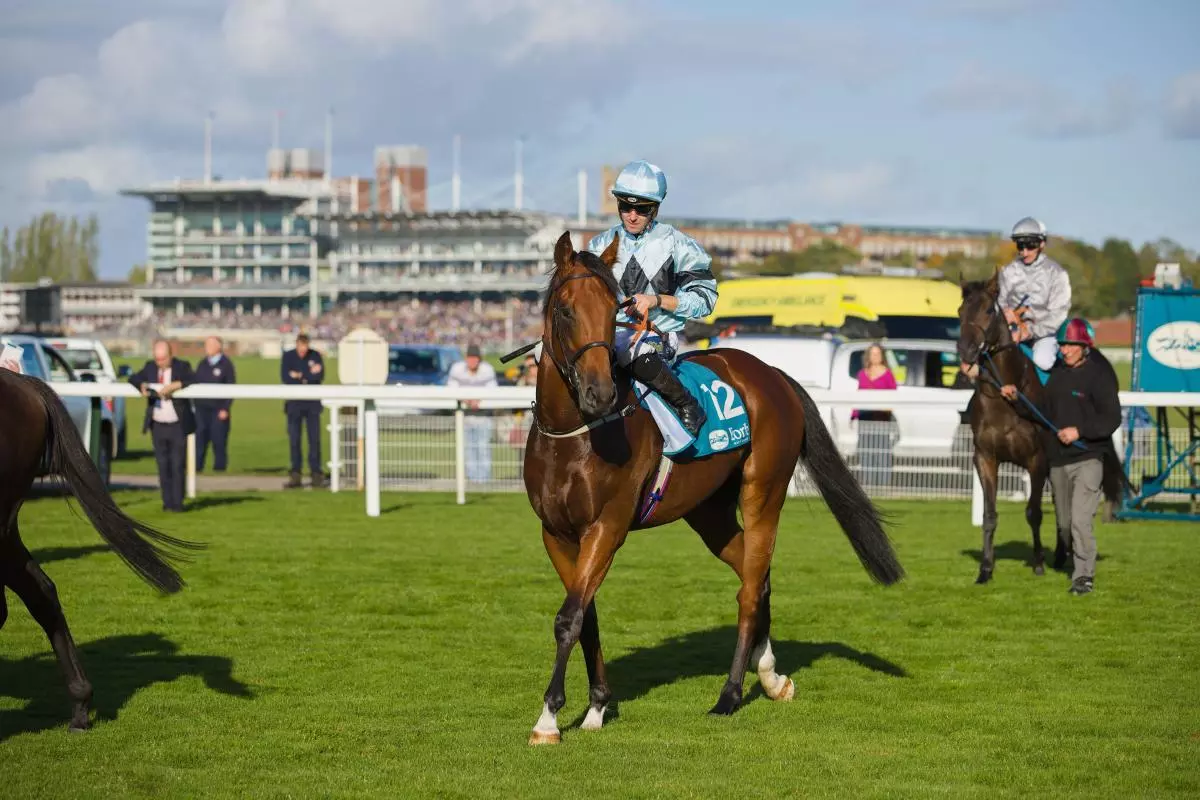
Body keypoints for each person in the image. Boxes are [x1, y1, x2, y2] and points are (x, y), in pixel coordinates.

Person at [586, 160, 717, 437]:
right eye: (625, 207)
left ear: (655, 208)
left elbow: (705, 299)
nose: (632, 216)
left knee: (625, 347)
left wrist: (658, 300)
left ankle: (687, 404)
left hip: (657, 336)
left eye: (642, 209)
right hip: (608, 336)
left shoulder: (678, 243)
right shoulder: (599, 246)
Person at [999, 318, 1120, 595]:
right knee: (1064, 527)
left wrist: (1080, 432)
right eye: (1063, 345)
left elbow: (1111, 418)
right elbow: (1041, 413)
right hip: (1058, 462)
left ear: (1085, 347)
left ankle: (1083, 577)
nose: (1065, 350)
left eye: (1071, 346)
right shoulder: (1056, 376)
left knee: (1080, 520)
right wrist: (1017, 398)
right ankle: (1074, 559)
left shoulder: (1098, 377)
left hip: (1088, 458)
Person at [128, 339, 195, 513]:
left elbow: (194, 377)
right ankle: (167, 503)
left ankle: (178, 504)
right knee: (162, 465)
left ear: (170, 355)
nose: (160, 363)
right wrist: (141, 385)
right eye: (157, 359)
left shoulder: (182, 366)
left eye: (163, 359)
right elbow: (134, 377)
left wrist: (176, 385)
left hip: (178, 424)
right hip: (157, 425)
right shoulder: (150, 367)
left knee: (178, 465)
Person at [998, 217, 1072, 372]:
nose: (1024, 252)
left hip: (1044, 335)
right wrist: (1005, 315)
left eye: (1030, 246)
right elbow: (1000, 302)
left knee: (1042, 360)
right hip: (1012, 331)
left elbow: (1058, 315)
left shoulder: (1057, 274)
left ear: (1042, 244)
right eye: (1020, 246)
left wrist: (1029, 331)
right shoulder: (1008, 271)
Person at [281, 333, 328, 489]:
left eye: (305, 347)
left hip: (312, 405)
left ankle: (316, 474)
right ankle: (295, 474)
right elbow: (285, 377)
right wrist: (307, 375)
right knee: (295, 440)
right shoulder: (288, 357)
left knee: (314, 440)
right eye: (301, 346)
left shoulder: (315, 355)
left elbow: (319, 376)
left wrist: (299, 375)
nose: (303, 350)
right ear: (296, 345)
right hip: (294, 404)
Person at [447, 343, 497, 482]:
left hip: (483, 416)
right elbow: (451, 388)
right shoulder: (457, 369)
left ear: (479, 359)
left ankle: (484, 479)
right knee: (468, 448)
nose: (472, 361)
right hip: (464, 415)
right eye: (470, 358)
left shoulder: (487, 370)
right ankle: (472, 478)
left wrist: (479, 401)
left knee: (483, 447)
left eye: (475, 358)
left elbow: (492, 390)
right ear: (466, 358)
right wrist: (467, 400)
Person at [851, 344, 899, 489]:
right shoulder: (862, 374)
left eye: (878, 354)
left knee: (881, 451)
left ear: (882, 356)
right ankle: (868, 483)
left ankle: (884, 484)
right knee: (865, 451)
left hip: (881, 419)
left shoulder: (888, 374)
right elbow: (859, 395)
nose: (875, 357)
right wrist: (853, 415)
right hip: (864, 418)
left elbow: (893, 396)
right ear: (868, 356)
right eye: (873, 354)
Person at [192, 336, 236, 473]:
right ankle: (197, 468)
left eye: (210, 345)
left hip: (218, 410)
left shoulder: (226, 364)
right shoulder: (202, 364)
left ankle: (219, 469)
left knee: (219, 440)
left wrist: (225, 408)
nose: (207, 348)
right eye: (206, 345)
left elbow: (231, 387)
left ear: (218, 347)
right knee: (200, 439)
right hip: (201, 409)